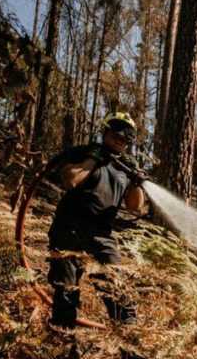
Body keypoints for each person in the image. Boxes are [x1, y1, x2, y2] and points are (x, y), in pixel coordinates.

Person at [47, 112, 147, 328]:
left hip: (102, 236)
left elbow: (135, 207)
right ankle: (64, 349)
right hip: (69, 231)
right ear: (105, 130)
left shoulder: (125, 168)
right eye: (116, 131)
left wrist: (137, 182)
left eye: (126, 135)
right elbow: (70, 180)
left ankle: (132, 355)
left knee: (119, 293)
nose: (120, 137)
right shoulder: (85, 153)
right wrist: (93, 159)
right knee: (66, 293)